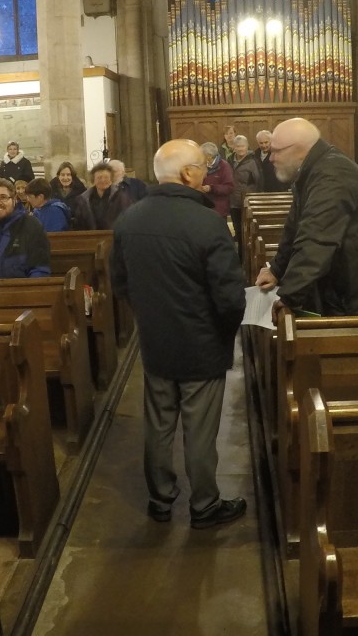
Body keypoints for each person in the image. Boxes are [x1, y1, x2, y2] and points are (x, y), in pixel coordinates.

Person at [110, 138, 247, 530]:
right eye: (202, 167)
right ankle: (204, 504)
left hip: (155, 341)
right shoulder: (208, 222)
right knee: (200, 430)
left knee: (159, 424)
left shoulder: (130, 219)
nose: (206, 173)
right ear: (188, 174)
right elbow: (230, 297)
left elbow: (120, 283)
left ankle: (160, 499)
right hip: (201, 344)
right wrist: (224, 333)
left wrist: (150, 317)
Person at [256, 117, 358, 316]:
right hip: (351, 290)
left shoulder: (331, 176)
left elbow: (316, 240)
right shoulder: (315, 171)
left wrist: (288, 297)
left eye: (276, 151)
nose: (271, 158)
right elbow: (294, 227)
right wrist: (276, 270)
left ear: (299, 150)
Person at [71, 161, 132, 230]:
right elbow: (79, 223)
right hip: (90, 236)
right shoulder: (83, 200)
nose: (103, 180)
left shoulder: (121, 198)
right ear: (93, 180)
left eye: (106, 177)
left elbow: (127, 220)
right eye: (99, 177)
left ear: (111, 179)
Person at [230, 134, 261, 238]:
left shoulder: (253, 161)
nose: (240, 149)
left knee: (247, 229)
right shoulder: (229, 160)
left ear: (247, 146)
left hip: (246, 200)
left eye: (242, 146)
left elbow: (258, 181)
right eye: (237, 146)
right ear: (234, 147)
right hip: (233, 200)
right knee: (237, 228)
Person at [200, 141, 233, 219]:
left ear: (209, 156)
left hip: (218, 209)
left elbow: (229, 187)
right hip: (203, 207)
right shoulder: (201, 165)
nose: (199, 156)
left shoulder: (224, 166)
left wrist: (211, 188)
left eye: (201, 154)